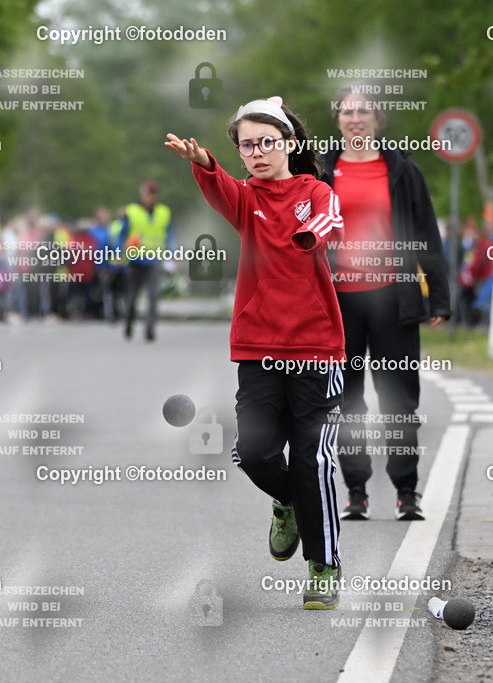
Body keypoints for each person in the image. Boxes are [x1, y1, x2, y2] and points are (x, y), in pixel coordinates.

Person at [165, 96, 346, 609]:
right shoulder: (247, 199)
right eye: (248, 146)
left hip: (315, 348)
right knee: (254, 452)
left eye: (267, 142)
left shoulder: (316, 191)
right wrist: (205, 164)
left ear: (289, 143)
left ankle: (324, 566)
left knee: (313, 461)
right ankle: (285, 500)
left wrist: (310, 234)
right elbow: (223, 189)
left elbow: (330, 219)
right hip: (259, 345)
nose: (259, 152)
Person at [320, 85, 452, 522]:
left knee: (398, 399)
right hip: (339, 304)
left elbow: (427, 232)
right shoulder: (323, 170)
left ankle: (406, 491)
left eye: (364, 111)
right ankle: (355, 490)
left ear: (378, 119)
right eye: (347, 112)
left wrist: (439, 293)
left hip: (394, 301)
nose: (355, 119)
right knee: (346, 400)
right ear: (337, 119)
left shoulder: (402, 170)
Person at [118, 181, 175, 341]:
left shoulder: (164, 212)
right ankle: (128, 323)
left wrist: (172, 254)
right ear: (142, 195)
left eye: (154, 194)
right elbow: (122, 235)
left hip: (154, 261)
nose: (151, 197)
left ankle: (150, 329)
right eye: (149, 194)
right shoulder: (132, 211)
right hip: (135, 260)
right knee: (132, 297)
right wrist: (118, 253)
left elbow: (170, 234)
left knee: (153, 296)